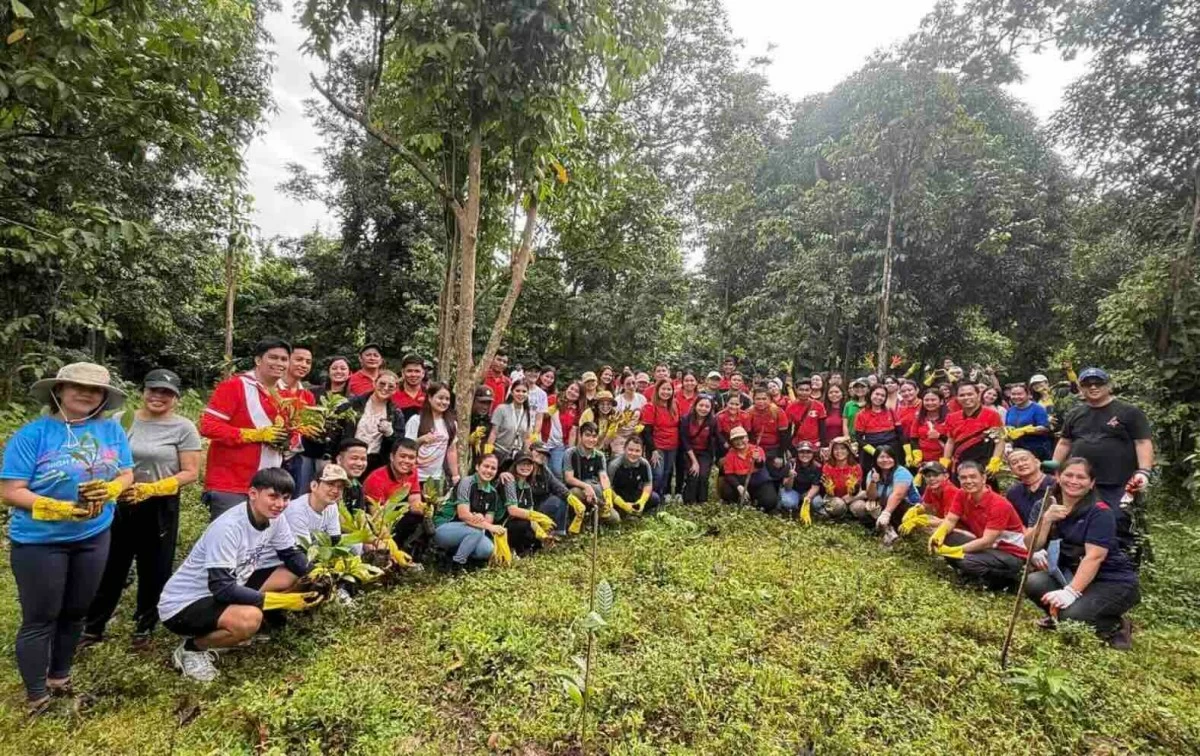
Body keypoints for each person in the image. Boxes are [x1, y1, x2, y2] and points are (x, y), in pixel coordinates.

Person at [0, 362, 133, 715]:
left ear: (104, 397)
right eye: (77, 386)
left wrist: (111, 490)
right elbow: (11, 491)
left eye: (95, 389)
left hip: (94, 534)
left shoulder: (111, 431)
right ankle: (36, 695)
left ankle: (59, 677)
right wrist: (58, 507)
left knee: (76, 611)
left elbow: (126, 473)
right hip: (40, 541)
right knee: (41, 616)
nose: (86, 393)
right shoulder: (33, 435)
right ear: (59, 390)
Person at [158, 468, 318, 683]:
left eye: (286, 498)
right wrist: (279, 601)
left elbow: (290, 555)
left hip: (232, 584)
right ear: (253, 494)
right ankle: (192, 649)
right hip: (184, 604)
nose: (279, 504)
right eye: (273, 496)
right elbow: (221, 588)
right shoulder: (228, 527)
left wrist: (320, 576)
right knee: (250, 618)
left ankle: (236, 629)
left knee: (292, 575)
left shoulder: (275, 519)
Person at [82, 369, 202, 650]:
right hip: (119, 499)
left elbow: (190, 473)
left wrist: (153, 488)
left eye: (166, 393)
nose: (158, 397)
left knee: (155, 567)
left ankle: (144, 626)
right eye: (154, 390)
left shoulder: (183, 428)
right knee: (111, 565)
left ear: (176, 398)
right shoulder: (119, 420)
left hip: (159, 504)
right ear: (143, 391)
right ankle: (94, 626)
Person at [1022, 457, 1139, 649]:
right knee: (1034, 582)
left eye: (1081, 477)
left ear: (1091, 483)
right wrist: (1046, 520)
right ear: (1058, 477)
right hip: (1071, 573)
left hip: (1110, 581)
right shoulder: (1044, 504)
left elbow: (1095, 557)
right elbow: (1031, 546)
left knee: (1072, 617)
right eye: (1068, 475)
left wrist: (1070, 592)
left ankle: (1114, 625)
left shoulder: (1100, 512)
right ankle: (1059, 616)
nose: (1074, 481)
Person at [1053, 367, 1153, 557]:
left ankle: (1127, 563)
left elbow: (1142, 442)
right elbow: (1065, 442)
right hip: (1082, 483)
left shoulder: (1128, 412)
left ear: (1108, 386)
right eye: (1087, 384)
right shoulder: (1075, 414)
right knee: (1081, 520)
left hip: (1119, 482)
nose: (1093, 387)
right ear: (1081, 388)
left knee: (1121, 520)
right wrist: (1054, 467)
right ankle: (1085, 561)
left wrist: (1144, 471)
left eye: (1098, 383)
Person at [198, 338, 291, 521]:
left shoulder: (286, 394)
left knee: (257, 544)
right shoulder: (235, 386)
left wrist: (287, 439)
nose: (279, 363)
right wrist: (251, 435)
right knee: (226, 540)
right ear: (258, 360)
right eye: (273, 357)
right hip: (231, 482)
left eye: (284, 359)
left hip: (269, 483)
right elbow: (208, 426)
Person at [256, 464, 354, 603]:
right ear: (314, 486)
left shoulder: (332, 507)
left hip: (302, 558)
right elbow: (299, 555)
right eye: (330, 484)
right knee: (299, 575)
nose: (335, 490)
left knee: (352, 549)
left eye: (340, 487)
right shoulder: (297, 510)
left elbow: (334, 542)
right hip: (273, 563)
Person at [926, 461, 1028, 590]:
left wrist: (955, 551)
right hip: (990, 546)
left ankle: (1007, 581)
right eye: (963, 478)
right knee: (945, 538)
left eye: (973, 477)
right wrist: (938, 535)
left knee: (966, 560)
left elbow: (986, 541)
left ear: (984, 478)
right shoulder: (962, 493)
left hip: (1010, 553)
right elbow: (950, 520)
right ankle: (972, 574)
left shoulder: (999, 504)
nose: (968, 481)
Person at [433, 454, 509, 569]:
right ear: (477, 467)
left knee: (488, 549)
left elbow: (488, 520)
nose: (489, 471)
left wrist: (480, 519)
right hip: (445, 527)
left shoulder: (493, 493)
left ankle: (454, 556)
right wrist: (488, 526)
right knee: (476, 530)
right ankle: (456, 565)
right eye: (486, 466)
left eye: (493, 468)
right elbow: (463, 515)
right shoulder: (466, 483)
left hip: (470, 530)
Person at [362, 439, 427, 556]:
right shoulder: (376, 478)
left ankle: (414, 555)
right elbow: (375, 517)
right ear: (392, 457)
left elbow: (414, 502)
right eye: (402, 456)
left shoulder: (413, 471)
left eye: (411, 458)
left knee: (424, 521)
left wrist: (427, 509)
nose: (407, 461)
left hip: (396, 514)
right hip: (376, 518)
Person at [849, 445, 918, 544]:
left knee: (898, 506)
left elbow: (898, 495)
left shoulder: (902, 472)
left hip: (906, 507)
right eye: (881, 457)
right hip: (886, 505)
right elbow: (872, 496)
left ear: (894, 459)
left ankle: (895, 531)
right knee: (869, 505)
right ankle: (888, 531)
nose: (885, 460)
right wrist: (873, 481)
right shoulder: (873, 472)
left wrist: (886, 513)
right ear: (876, 459)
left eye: (889, 457)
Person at [340, 371, 405, 474]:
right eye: (382, 384)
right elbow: (337, 428)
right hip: (349, 457)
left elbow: (399, 444)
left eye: (391, 386)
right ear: (374, 383)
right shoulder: (354, 403)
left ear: (395, 390)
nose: (385, 388)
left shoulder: (396, 413)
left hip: (376, 462)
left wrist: (390, 433)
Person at [501, 443, 572, 537]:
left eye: (545, 454)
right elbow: (512, 510)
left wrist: (570, 496)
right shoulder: (509, 478)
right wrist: (501, 474)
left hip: (532, 509)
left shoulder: (531, 481)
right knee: (524, 525)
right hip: (507, 520)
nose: (525, 467)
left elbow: (557, 485)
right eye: (539, 452)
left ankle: (556, 533)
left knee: (560, 499)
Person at [405, 382, 460, 497]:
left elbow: (451, 450)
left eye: (447, 399)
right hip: (415, 475)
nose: (444, 402)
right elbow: (405, 447)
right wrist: (421, 440)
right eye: (440, 398)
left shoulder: (451, 424)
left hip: (436, 477)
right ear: (430, 398)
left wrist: (455, 475)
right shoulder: (416, 420)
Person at [942, 383, 1004, 479]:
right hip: (959, 465)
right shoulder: (951, 417)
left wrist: (995, 460)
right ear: (957, 398)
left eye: (970, 394)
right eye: (962, 395)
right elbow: (950, 441)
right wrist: (945, 461)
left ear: (978, 395)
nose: (966, 398)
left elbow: (999, 440)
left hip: (984, 465)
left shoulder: (992, 415)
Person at [563, 422, 618, 530]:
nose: (591, 439)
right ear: (581, 436)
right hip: (578, 491)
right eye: (587, 435)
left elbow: (603, 476)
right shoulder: (570, 453)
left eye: (594, 436)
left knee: (615, 519)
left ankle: (594, 518)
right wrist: (585, 487)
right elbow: (568, 478)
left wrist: (607, 493)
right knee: (574, 493)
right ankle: (578, 519)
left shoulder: (599, 455)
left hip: (595, 493)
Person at [279, 344, 317, 494]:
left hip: (296, 456)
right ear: (287, 360)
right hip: (272, 454)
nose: (304, 365)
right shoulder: (272, 389)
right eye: (299, 359)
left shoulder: (307, 395)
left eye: (308, 362)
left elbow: (309, 428)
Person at [897, 461, 964, 538]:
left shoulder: (950, 490)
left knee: (920, 528)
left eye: (936, 475)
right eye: (928, 476)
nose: (931, 478)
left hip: (959, 528)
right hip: (945, 523)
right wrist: (915, 509)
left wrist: (918, 521)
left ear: (946, 476)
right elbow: (926, 506)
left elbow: (949, 522)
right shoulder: (931, 487)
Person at [718, 427, 777, 512]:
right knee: (727, 492)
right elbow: (729, 474)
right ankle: (740, 500)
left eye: (742, 438)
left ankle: (754, 503)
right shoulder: (730, 455)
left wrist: (757, 459)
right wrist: (739, 487)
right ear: (732, 442)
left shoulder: (757, 449)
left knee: (769, 502)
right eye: (736, 439)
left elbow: (760, 466)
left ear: (747, 438)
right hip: (740, 481)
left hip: (758, 481)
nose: (739, 442)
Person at [641, 379, 681, 500]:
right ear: (657, 390)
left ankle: (662, 497)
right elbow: (646, 431)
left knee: (667, 473)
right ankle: (652, 498)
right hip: (657, 446)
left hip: (672, 445)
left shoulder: (675, 404)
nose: (666, 392)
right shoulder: (650, 407)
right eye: (663, 389)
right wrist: (653, 450)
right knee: (657, 474)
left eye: (669, 389)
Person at [853, 385, 906, 476]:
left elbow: (900, 433)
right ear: (870, 394)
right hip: (872, 451)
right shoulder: (861, 414)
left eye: (882, 395)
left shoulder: (890, 411)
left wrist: (906, 451)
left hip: (892, 450)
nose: (879, 397)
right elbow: (859, 438)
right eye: (877, 394)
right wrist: (874, 452)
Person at [680, 395, 719, 504]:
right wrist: (694, 462)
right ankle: (689, 501)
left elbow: (717, 437)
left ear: (711, 408)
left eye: (707, 406)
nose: (703, 408)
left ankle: (702, 501)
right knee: (693, 474)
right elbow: (685, 441)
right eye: (701, 405)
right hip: (689, 452)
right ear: (695, 405)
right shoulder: (686, 419)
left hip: (705, 453)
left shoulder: (713, 421)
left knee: (703, 476)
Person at [488, 379, 535, 463]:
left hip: (516, 457)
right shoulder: (501, 409)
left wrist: (527, 456)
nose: (521, 394)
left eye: (524, 391)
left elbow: (527, 438)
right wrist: (487, 454)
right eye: (518, 391)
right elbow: (493, 433)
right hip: (499, 453)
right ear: (512, 392)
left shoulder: (527, 413)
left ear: (528, 394)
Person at [1005, 448, 1055, 526]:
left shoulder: (1055, 484)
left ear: (1037, 462)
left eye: (1024, 459)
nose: (1020, 464)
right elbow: (1016, 522)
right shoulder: (1013, 493)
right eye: (1014, 463)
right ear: (1012, 471)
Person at [815, 437, 861, 521]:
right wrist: (828, 487)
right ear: (832, 452)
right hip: (834, 497)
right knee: (837, 505)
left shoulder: (856, 467)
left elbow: (857, 489)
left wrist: (851, 495)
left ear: (848, 451)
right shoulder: (827, 467)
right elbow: (830, 492)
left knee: (860, 507)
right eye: (835, 449)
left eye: (843, 448)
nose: (839, 452)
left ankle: (850, 514)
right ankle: (840, 514)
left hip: (852, 497)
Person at [608, 436, 656, 514]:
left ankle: (637, 508)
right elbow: (608, 488)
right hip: (618, 495)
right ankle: (623, 511)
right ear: (624, 449)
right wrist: (622, 504)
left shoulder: (644, 464)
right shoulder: (614, 465)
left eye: (637, 451)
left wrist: (642, 501)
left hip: (634, 492)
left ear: (642, 452)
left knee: (655, 498)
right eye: (630, 450)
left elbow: (648, 484)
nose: (633, 453)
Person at [1004, 383, 1053, 461]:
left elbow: (1045, 428)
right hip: (1017, 449)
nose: (1016, 397)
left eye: (1020, 394)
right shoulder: (1011, 410)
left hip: (1036, 449)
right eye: (1013, 394)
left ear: (1028, 394)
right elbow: (1007, 427)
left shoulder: (1037, 408)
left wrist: (1026, 430)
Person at [545, 381, 583, 478]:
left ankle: (557, 492)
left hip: (559, 445)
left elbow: (573, 432)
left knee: (557, 471)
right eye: (571, 388)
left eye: (577, 391)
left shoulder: (577, 410)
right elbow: (541, 416)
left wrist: (569, 452)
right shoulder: (553, 399)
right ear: (567, 388)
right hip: (543, 441)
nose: (572, 392)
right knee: (543, 470)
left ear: (580, 396)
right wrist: (555, 407)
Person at [907, 387, 947, 474]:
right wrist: (918, 457)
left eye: (933, 400)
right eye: (926, 400)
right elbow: (914, 439)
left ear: (941, 401)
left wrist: (940, 436)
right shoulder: (919, 419)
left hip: (943, 460)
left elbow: (953, 440)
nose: (929, 403)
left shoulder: (949, 418)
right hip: (923, 462)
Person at [781, 442, 822, 520]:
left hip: (807, 491)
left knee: (817, 503)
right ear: (797, 453)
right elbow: (787, 487)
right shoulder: (791, 464)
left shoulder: (817, 467)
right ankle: (790, 508)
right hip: (793, 490)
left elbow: (815, 487)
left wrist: (808, 498)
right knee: (788, 503)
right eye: (802, 452)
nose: (805, 455)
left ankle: (806, 508)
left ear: (813, 454)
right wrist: (791, 477)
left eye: (808, 452)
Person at [787, 378, 827, 450]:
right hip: (797, 443)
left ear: (811, 391)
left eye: (807, 390)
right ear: (796, 390)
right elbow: (788, 430)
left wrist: (822, 446)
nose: (804, 393)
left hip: (815, 444)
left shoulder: (819, 405)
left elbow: (823, 428)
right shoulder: (790, 407)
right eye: (801, 390)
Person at [613, 373, 647, 457]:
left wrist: (640, 426)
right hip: (620, 436)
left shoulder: (641, 399)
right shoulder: (617, 400)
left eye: (633, 383)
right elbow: (613, 422)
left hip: (636, 435)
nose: (632, 386)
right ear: (622, 385)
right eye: (628, 384)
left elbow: (645, 418)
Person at [335, 438, 370, 513]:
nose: (359, 463)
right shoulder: (328, 485)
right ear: (339, 459)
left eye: (363, 459)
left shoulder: (357, 486)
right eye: (354, 458)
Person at [393, 354, 427, 424]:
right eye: (409, 371)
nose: (413, 375)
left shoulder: (430, 395)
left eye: (417, 371)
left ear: (423, 373)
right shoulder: (392, 394)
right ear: (403, 373)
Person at [822, 385, 846, 451]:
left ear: (842, 394)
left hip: (843, 447)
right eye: (831, 392)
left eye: (837, 392)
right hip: (826, 447)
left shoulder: (848, 408)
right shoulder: (822, 409)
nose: (834, 394)